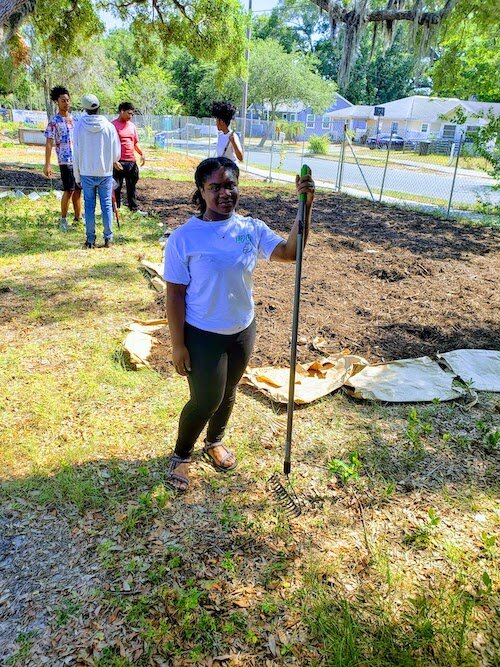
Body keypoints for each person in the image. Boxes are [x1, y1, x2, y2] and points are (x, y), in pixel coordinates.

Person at [163, 156, 314, 492]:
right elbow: (174, 296)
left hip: (242, 329)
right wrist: (178, 344)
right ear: (201, 191)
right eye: (214, 187)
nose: (224, 193)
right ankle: (181, 454)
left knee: (229, 391)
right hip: (203, 333)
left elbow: (291, 253)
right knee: (205, 400)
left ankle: (214, 441)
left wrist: (307, 207)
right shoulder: (184, 238)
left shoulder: (251, 228)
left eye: (230, 185)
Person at [73, 94, 121, 249]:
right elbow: (116, 155)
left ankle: (90, 240)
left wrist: (77, 175)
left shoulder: (79, 126)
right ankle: (108, 238)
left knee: (89, 206)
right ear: (99, 107)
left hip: (86, 171)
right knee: (106, 205)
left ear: (84, 109)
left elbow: (76, 152)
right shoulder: (109, 126)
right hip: (105, 172)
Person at [43, 86, 82, 232]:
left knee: (78, 190)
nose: (66, 103)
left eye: (67, 100)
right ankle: (63, 219)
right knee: (69, 190)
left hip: (77, 160)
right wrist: (47, 164)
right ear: (57, 102)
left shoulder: (76, 120)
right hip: (65, 161)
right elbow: (49, 143)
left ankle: (78, 218)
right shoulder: (54, 121)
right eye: (62, 100)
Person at [111, 102, 147, 214]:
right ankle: (115, 210)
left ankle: (134, 209)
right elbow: (109, 145)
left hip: (131, 162)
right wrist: (113, 161)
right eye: (129, 113)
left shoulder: (132, 126)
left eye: (132, 114)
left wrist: (142, 153)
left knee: (132, 187)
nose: (130, 116)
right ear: (121, 111)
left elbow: (135, 142)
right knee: (116, 187)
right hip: (118, 161)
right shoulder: (112, 126)